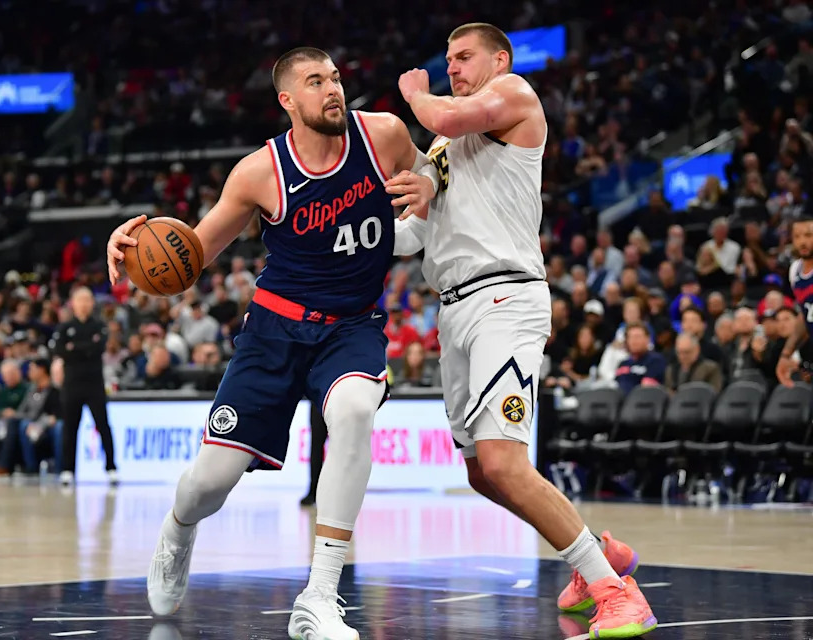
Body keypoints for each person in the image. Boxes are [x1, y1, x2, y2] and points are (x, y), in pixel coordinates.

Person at [105, 47, 439, 639]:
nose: (332, 89)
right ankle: (179, 527)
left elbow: (437, 177)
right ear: (287, 100)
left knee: (356, 411)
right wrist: (133, 249)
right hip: (274, 332)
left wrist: (429, 191)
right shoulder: (259, 172)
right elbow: (193, 254)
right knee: (210, 481)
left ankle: (319, 594)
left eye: (335, 78)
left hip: (352, 325)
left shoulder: (383, 135)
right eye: (315, 82)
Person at [390, 23, 656, 637]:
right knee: (482, 471)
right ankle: (598, 552)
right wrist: (354, 238)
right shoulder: (442, 145)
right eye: (448, 60)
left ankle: (616, 592)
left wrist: (415, 96)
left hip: (504, 298)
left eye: (463, 57)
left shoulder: (512, 94)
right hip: (453, 308)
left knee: (506, 462)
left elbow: (451, 117)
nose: (452, 68)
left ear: (499, 59)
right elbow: (419, 235)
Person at [51, 286, 117, 486]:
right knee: (70, 428)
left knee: (103, 425)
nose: (84, 304)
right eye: (80, 300)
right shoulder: (65, 327)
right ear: (73, 303)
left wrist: (76, 348)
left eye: (88, 299)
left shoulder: (99, 325)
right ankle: (68, 470)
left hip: (94, 384)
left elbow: (98, 348)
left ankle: (111, 467)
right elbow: (60, 350)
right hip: (72, 384)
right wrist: (84, 348)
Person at [778, 218, 813, 385]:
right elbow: (805, 315)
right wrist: (787, 353)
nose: (803, 241)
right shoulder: (795, 271)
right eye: (797, 236)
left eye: (808, 235)